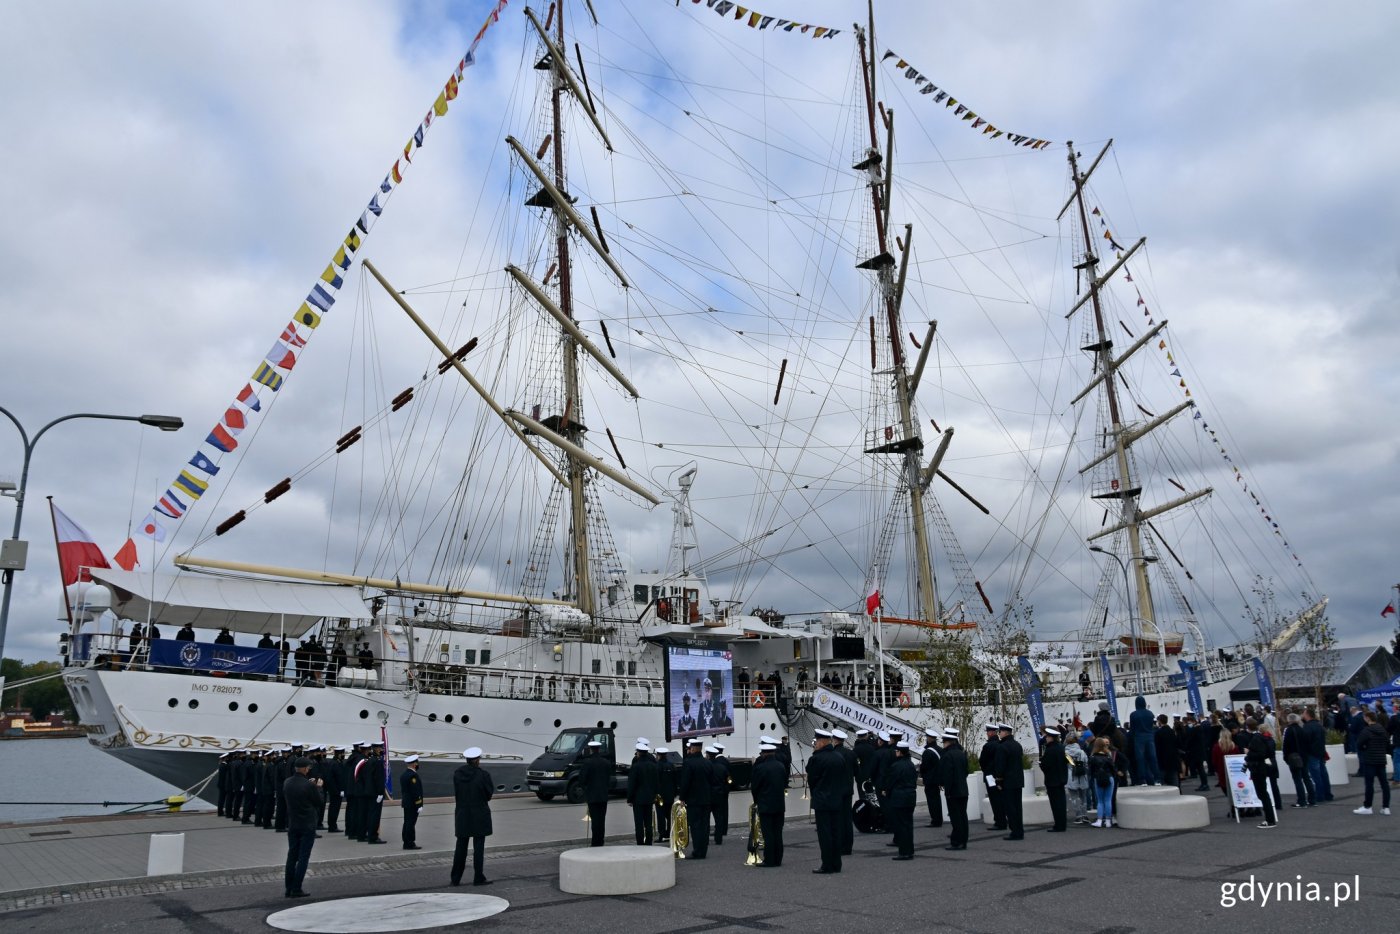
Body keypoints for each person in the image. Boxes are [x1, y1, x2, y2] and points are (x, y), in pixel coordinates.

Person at [805, 729, 850, 874]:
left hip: (822, 802)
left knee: (825, 835)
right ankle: (837, 864)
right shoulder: (838, 757)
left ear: (823, 742)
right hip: (837, 801)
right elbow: (844, 778)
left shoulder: (816, 759)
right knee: (836, 832)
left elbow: (812, 780)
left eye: (817, 741)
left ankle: (827, 864)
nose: (815, 744)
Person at [282, 756, 323, 898]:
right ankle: (296, 888)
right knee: (303, 857)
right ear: (306, 769)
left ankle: (288, 888)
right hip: (307, 824)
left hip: (293, 824)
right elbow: (319, 802)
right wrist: (318, 788)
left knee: (291, 856)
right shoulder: (309, 785)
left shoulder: (287, 782)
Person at [451, 747, 493, 886]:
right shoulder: (483, 775)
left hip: (462, 814)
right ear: (477, 760)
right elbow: (489, 795)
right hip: (479, 814)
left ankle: (455, 878)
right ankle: (478, 877)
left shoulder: (457, 774)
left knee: (461, 846)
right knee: (478, 847)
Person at [879, 740, 918, 860]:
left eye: (896, 751)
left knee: (901, 825)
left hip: (899, 797)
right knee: (908, 824)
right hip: (911, 796)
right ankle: (909, 850)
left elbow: (891, 781)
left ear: (900, 752)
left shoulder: (896, 766)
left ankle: (904, 852)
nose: (895, 752)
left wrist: (886, 791)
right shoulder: (911, 765)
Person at [750, 742, 785, 866]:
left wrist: (756, 801)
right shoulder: (781, 766)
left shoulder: (760, 768)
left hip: (765, 805)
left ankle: (770, 860)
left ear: (764, 753)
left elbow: (755, 787)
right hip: (780, 805)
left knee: (768, 834)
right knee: (778, 833)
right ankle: (778, 859)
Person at [1353, 710, 1392, 815]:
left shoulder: (1367, 731)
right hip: (1381, 759)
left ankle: (1368, 806)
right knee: (1384, 784)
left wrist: (1365, 748)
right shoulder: (1382, 730)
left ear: (1367, 718)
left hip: (1370, 759)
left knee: (1369, 784)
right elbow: (1387, 744)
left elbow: (1359, 744)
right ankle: (1386, 807)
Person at [678, 738, 711, 859]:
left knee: (696, 826)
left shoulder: (688, 763)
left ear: (692, 748)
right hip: (706, 800)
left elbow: (685, 782)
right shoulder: (707, 763)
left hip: (694, 800)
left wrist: (682, 797)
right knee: (705, 826)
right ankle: (703, 851)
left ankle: (697, 851)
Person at [1243, 719, 1279, 828]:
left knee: (1262, 794)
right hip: (1266, 767)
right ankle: (1270, 818)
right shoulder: (1270, 740)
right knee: (1264, 794)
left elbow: (1259, 754)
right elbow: (1267, 755)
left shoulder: (1257, 739)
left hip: (1258, 769)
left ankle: (1269, 820)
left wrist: (1248, 754)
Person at [939, 728, 969, 850]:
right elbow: (966, 771)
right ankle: (964, 840)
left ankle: (957, 841)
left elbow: (947, 775)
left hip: (953, 791)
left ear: (947, 742)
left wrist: (946, 787)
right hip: (963, 789)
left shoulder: (947, 756)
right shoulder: (962, 754)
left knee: (956, 818)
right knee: (963, 816)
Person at [993, 723, 1025, 840]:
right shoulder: (1017, 745)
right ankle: (1019, 830)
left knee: (1010, 808)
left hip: (1007, 782)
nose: (999, 734)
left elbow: (1000, 766)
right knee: (1017, 807)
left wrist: (999, 781)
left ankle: (1015, 832)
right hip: (1018, 781)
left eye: (1000, 732)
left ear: (1005, 732)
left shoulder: (1002, 747)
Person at [578, 740, 612, 846]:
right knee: (602, 820)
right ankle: (601, 841)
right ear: (599, 749)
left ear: (591, 750)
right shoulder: (606, 763)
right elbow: (609, 779)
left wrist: (586, 788)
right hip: (603, 795)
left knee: (594, 820)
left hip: (592, 795)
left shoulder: (587, 763)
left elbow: (582, 779)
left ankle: (595, 842)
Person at [627, 741, 659, 845]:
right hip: (649, 798)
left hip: (638, 799)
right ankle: (649, 841)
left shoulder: (635, 767)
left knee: (639, 823)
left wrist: (629, 799)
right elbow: (656, 783)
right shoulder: (653, 766)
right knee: (648, 822)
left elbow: (632, 784)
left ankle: (640, 842)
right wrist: (654, 795)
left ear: (639, 753)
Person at [830, 730, 857, 855]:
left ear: (835, 740)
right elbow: (857, 771)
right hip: (848, 789)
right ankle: (848, 846)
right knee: (847, 818)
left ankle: (840, 845)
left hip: (836, 790)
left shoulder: (833, 754)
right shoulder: (851, 753)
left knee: (838, 819)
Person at [1281, 713, 1315, 808]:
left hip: (1294, 757)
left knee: (1297, 779)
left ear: (1289, 720)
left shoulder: (1288, 730)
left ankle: (1301, 801)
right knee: (1306, 778)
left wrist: (1286, 757)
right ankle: (1312, 799)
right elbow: (1308, 744)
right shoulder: (1302, 729)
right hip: (1304, 757)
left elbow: (1285, 746)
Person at [1300, 706, 1333, 802]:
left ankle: (1320, 795)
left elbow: (1305, 741)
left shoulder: (1307, 727)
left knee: (1316, 776)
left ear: (1307, 715)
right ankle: (1328, 794)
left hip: (1312, 753)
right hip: (1320, 752)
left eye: (1304, 713)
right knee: (1323, 774)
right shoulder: (1319, 725)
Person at [1040, 727, 1068, 832]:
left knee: (1055, 804)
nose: (1046, 738)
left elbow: (1046, 765)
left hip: (1052, 780)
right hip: (1061, 779)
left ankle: (1058, 825)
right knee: (1061, 803)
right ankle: (1062, 824)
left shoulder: (1050, 750)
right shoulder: (1061, 747)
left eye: (1047, 736)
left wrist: (1041, 764)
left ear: (1051, 737)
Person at [1128, 695, 1161, 785]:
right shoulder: (1150, 713)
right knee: (1153, 758)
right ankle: (1157, 779)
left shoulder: (1133, 714)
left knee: (1140, 759)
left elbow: (1132, 729)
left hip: (1139, 738)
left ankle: (1143, 780)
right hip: (1150, 736)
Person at [978, 724, 1005, 831]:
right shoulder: (1001, 744)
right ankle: (1003, 819)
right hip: (1000, 776)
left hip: (990, 776)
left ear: (990, 733)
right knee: (1001, 798)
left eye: (988, 732)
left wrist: (987, 770)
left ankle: (999, 821)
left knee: (994, 799)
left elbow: (982, 761)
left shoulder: (988, 746)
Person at [1088, 737, 1116, 828]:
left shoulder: (1092, 757)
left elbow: (1090, 771)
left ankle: (1099, 820)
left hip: (1098, 778)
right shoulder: (1108, 756)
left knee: (1100, 801)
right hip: (1109, 778)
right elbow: (1113, 769)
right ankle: (1108, 821)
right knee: (1108, 800)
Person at [1064, 732, 1090, 824]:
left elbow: (1064, 765)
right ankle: (1085, 815)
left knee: (1074, 797)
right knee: (1083, 797)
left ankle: (1078, 816)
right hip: (1082, 776)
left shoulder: (1065, 753)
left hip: (1071, 776)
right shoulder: (1081, 752)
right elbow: (1086, 763)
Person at [919, 728, 943, 827]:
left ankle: (935, 820)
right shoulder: (940, 750)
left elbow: (924, 767)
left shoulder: (927, 752)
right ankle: (939, 819)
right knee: (937, 800)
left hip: (930, 780)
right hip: (938, 779)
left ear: (929, 738)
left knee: (932, 801)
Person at [399, 754, 424, 849]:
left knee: (406, 822)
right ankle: (410, 842)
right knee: (410, 823)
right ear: (414, 764)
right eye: (417, 763)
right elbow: (415, 791)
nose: (418, 764)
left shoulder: (404, 775)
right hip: (413, 804)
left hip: (406, 803)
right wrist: (419, 804)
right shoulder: (413, 776)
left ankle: (406, 841)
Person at [709, 743, 731, 845]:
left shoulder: (707, 766)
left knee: (706, 818)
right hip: (721, 794)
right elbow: (729, 780)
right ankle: (719, 837)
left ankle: (705, 837)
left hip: (709, 795)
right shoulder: (724, 765)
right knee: (720, 817)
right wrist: (725, 790)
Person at [654, 745, 676, 843]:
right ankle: (669, 832)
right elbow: (675, 780)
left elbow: (656, 782)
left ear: (658, 755)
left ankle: (662, 835)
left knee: (661, 816)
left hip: (660, 796)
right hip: (670, 795)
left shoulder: (656, 766)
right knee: (669, 815)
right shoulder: (671, 765)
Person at [1154, 715, 1181, 787]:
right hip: (1173, 758)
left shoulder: (1158, 733)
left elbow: (1157, 747)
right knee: (1175, 779)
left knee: (1163, 780)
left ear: (1159, 721)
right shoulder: (1172, 731)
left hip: (1163, 759)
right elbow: (1177, 743)